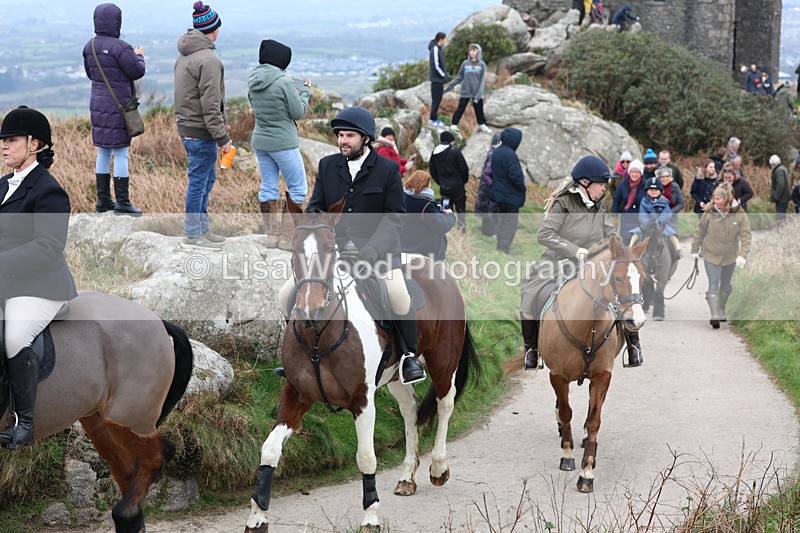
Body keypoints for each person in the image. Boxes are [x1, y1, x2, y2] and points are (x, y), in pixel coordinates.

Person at [276, 106, 426, 385]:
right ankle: (297, 353)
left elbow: (394, 217)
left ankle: (408, 357)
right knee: (287, 293)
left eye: (349, 136)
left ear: (366, 139)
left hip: (378, 253)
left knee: (398, 295)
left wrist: (371, 252)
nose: (343, 140)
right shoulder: (327, 166)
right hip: (335, 253)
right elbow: (317, 208)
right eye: (340, 135)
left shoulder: (388, 169)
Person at [0, 106, 78, 447]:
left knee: (14, 337)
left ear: (35, 144)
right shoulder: (4, 185)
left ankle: (24, 423)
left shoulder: (49, 190)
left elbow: (48, 246)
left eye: (12, 140)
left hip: (39, 285)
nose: (4, 146)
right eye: (3, 140)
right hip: (7, 281)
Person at [519, 155, 643, 370]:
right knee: (529, 292)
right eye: (601, 184)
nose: (604, 189)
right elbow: (545, 234)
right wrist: (575, 251)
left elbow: (609, 232)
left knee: (625, 289)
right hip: (559, 260)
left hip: (596, 261)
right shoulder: (564, 203)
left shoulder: (599, 205)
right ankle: (531, 349)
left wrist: (621, 252)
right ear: (585, 183)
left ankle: (634, 345)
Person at [174, 2, 230, 250]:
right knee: (199, 182)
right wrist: (223, 138)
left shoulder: (185, 55)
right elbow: (211, 105)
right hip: (202, 132)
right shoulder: (208, 60)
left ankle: (202, 228)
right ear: (213, 29)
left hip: (188, 129)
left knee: (205, 180)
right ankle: (193, 234)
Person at [82, 3, 145, 216]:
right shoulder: (121, 47)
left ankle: (103, 201)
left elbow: (91, 74)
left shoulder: (89, 46)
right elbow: (136, 72)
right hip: (117, 106)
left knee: (103, 150)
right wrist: (139, 56)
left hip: (98, 104)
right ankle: (123, 202)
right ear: (117, 21)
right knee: (120, 152)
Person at [248, 39, 310, 250]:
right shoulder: (283, 82)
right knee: (298, 189)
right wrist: (304, 92)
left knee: (268, 186)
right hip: (283, 142)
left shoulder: (253, 79)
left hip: (260, 140)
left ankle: (271, 237)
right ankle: (286, 239)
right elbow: (297, 112)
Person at [691, 183, 751, 329]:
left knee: (725, 285)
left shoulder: (739, 213)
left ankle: (721, 308)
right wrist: (694, 250)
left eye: (718, 199)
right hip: (711, 254)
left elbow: (746, 235)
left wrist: (743, 255)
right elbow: (700, 230)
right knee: (713, 282)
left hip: (730, 256)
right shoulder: (710, 212)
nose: (715, 201)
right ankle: (714, 315)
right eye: (714, 198)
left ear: (727, 199)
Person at [400, 170, 456, 261]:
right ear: (426, 185)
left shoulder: (401, 198)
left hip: (403, 246)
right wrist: (450, 216)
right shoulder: (426, 206)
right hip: (423, 252)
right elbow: (442, 226)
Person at [628, 176, 682, 262]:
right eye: (651, 190)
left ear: (660, 191)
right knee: (636, 234)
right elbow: (642, 215)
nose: (653, 192)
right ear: (647, 191)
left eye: (656, 190)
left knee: (672, 235)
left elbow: (666, 214)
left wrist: (659, 222)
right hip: (647, 225)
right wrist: (648, 223)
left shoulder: (664, 201)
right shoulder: (644, 201)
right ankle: (630, 248)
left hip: (660, 225)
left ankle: (678, 250)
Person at [490, 127, 525, 254]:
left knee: (502, 221)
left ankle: (500, 245)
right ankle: (504, 248)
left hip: (499, 194)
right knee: (510, 223)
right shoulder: (511, 155)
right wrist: (522, 187)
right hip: (510, 195)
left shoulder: (497, 152)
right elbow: (515, 176)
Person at [445, 43, 491, 134]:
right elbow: (459, 77)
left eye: (474, 50)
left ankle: (482, 125)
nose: (472, 53)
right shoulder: (465, 63)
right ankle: (454, 124)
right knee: (460, 108)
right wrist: (447, 88)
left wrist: (478, 95)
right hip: (466, 91)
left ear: (478, 52)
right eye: (470, 50)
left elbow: (482, 81)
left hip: (477, 92)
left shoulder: (482, 65)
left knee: (479, 109)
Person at [429, 130, 468, 231]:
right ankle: (462, 230)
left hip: (444, 187)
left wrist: (440, 182)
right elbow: (464, 168)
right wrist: (462, 181)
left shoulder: (435, 153)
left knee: (446, 209)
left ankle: (447, 230)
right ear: (450, 141)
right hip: (457, 186)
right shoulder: (455, 152)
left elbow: (432, 170)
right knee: (460, 209)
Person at [611, 158, 646, 244]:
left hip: (641, 221)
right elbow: (616, 200)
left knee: (640, 247)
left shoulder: (645, 184)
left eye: (637, 172)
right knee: (627, 246)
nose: (634, 174)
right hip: (626, 219)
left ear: (641, 173)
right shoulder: (623, 184)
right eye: (632, 171)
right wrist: (615, 216)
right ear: (629, 172)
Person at [475, 131, 502, 236]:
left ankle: (487, 231)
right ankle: (490, 232)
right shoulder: (494, 154)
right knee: (490, 209)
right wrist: (493, 184)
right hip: (488, 187)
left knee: (488, 210)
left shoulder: (492, 152)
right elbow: (487, 173)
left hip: (486, 186)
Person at [428, 32, 448, 128]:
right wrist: (443, 75)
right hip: (436, 80)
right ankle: (432, 119)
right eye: (445, 39)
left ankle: (434, 118)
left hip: (438, 80)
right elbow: (436, 65)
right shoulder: (435, 49)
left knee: (438, 99)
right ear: (441, 39)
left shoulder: (438, 49)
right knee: (436, 99)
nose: (445, 41)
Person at [769, 154, 790, 225]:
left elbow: (780, 184)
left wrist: (776, 196)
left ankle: (780, 230)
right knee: (783, 213)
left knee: (780, 214)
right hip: (785, 196)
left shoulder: (778, 171)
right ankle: (782, 229)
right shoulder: (783, 168)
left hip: (782, 197)